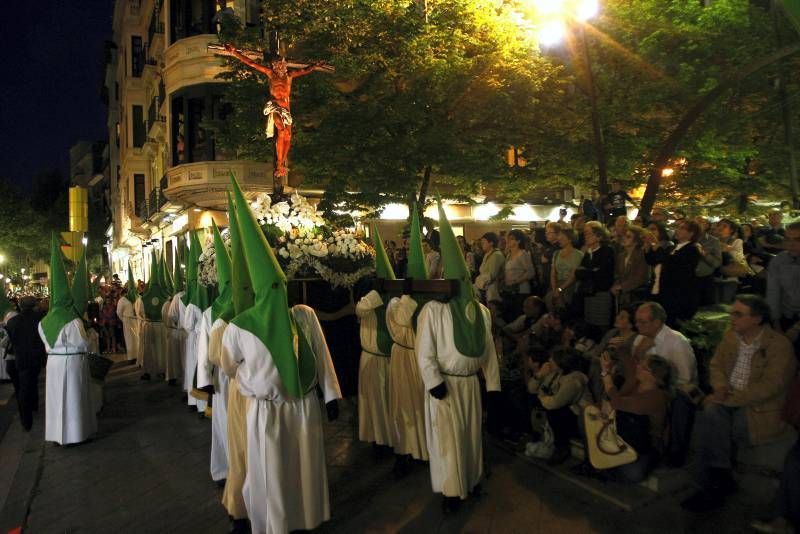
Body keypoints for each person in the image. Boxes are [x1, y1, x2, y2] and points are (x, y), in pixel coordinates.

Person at [222, 176, 341, 533]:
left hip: (303, 408)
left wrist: (332, 394)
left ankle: (306, 520)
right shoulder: (240, 327)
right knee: (271, 474)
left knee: (304, 471)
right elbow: (228, 366)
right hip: (268, 411)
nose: (277, 292)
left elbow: (321, 356)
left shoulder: (303, 316)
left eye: (281, 287)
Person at [416, 199, 500, 512]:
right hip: (446, 387)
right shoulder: (433, 312)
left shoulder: (480, 312)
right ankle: (451, 490)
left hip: (469, 385)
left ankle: (473, 479)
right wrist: (434, 382)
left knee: (470, 437)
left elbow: (488, 349)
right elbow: (424, 352)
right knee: (448, 441)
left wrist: (492, 385)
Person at [682, 294, 797, 512]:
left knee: (711, 420)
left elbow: (772, 386)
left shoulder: (779, 346)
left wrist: (729, 398)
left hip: (758, 408)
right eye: (732, 312)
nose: (731, 317)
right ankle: (718, 479)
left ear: (757, 319)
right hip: (727, 399)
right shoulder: (731, 337)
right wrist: (721, 387)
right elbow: (716, 365)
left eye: (738, 314)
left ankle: (712, 483)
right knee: (711, 414)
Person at [221, 44, 330, 181]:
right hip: (275, 107)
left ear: (284, 65)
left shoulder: (289, 76)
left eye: (280, 65)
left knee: (288, 135)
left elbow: (304, 70)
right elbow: (251, 63)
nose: (278, 67)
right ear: (273, 66)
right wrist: (234, 52)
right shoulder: (270, 74)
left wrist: (315, 65)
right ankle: (279, 163)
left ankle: (282, 162)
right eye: (275, 65)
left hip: (286, 109)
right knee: (282, 132)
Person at [38, 235, 97, 444]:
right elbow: (82, 343)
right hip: (73, 363)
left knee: (56, 400)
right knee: (74, 399)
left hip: (53, 363)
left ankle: (57, 435)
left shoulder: (44, 321)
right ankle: (76, 434)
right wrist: (91, 337)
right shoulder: (73, 321)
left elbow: (45, 342)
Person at [219, 192, 255, 532]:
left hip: (243, 391)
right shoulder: (239, 325)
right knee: (244, 453)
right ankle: (243, 505)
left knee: (247, 452)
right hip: (244, 395)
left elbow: (227, 365)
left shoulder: (232, 323)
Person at [386, 207, 430, 474]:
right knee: (404, 406)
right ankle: (405, 449)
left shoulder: (431, 306)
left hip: (421, 358)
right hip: (403, 357)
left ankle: (424, 448)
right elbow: (402, 320)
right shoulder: (395, 303)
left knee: (421, 405)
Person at [632, 301, 697, 466]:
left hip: (676, 388)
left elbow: (685, 378)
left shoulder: (676, 341)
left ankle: (675, 452)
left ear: (657, 322)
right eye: (637, 321)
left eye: (643, 322)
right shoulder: (640, 339)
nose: (638, 325)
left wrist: (659, 388)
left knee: (679, 401)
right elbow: (635, 369)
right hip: (651, 386)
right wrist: (639, 352)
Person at [197, 221, 234, 485]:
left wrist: (206, 381)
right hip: (235, 377)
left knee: (224, 425)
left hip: (222, 378)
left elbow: (202, 352)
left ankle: (226, 469)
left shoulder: (211, 313)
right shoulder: (214, 313)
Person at [599, 353, 672, 483]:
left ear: (654, 377)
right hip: (623, 438)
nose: (638, 367)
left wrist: (606, 374)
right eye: (640, 364)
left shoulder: (657, 396)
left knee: (632, 474)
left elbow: (617, 402)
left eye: (643, 367)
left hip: (646, 445)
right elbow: (615, 399)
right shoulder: (635, 385)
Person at [355, 225, 395, 449]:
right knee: (376, 402)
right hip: (375, 355)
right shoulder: (382, 296)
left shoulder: (385, 297)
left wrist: (374, 296)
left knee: (384, 401)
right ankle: (380, 438)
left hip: (383, 357)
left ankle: (386, 440)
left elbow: (359, 310)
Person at [526, 346, 589, 465]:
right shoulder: (557, 373)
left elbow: (556, 402)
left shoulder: (574, 380)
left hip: (580, 418)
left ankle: (562, 449)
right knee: (530, 398)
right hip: (561, 407)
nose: (549, 361)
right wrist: (539, 375)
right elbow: (532, 389)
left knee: (557, 412)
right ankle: (536, 433)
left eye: (552, 359)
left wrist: (542, 396)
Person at [644, 219, 701, 325]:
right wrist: (648, 247)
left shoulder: (692, 249)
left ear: (691, 233)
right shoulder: (673, 248)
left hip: (676, 295)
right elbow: (655, 260)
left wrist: (656, 245)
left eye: (682, 228)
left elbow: (673, 264)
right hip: (661, 291)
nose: (677, 230)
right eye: (678, 227)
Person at [5, 296, 43, 432]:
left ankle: (26, 419)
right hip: (36, 357)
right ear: (34, 305)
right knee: (32, 381)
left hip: (21, 358)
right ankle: (34, 405)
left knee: (24, 388)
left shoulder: (12, 322)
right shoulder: (39, 318)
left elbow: (9, 340)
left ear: (20, 306)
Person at [182, 231, 210, 414]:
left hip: (195, 339)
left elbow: (187, 326)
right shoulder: (211, 301)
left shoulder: (191, 303)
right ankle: (205, 404)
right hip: (207, 338)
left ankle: (196, 402)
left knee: (196, 368)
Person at [574, 221, 616, 331]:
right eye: (585, 234)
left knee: (601, 325)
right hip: (588, 294)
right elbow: (578, 272)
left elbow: (602, 274)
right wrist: (591, 271)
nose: (585, 237)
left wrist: (587, 272)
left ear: (599, 236)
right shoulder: (588, 252)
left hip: (601, 294)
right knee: (590, 324)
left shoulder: (607, 251)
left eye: (588, 234)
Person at [767, 221, 800, 358]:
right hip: (786, 319)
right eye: (787, 239)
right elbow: (773, 292)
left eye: (797, 240)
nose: (791, 244)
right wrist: (776, 324)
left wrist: (797, 328)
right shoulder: (779, 260)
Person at [611, 225, 651, 308]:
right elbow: (618, 274)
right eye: (624, 236)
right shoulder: (621, 256)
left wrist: (622, 286)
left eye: (628, 237)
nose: (624, 238)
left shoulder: (641, 254)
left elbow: (640, 277)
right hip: (622, 296)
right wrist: (616, 284)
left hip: (636, 296)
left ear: (636, 241)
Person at [547, 227, 583, 312]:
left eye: (561, 236)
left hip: (570, 287)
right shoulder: (556, 253)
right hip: (556, 285)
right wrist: (554, 288)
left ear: (570, 239)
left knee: (563, 308)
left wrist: (560, 289)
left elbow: (573, 276)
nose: (558, 238)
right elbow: (553, 273)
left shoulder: (578, 254)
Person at [503, 229, 535, 320]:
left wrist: (516, 281)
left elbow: (531, 272)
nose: (508, 240)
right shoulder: (509, 255)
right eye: (508, 238)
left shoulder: (523, 254)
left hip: (521, 290)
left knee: (518, 315)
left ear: (518, 241)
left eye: (511, 238)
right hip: (510, 290)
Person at [694, 217, 723, 305]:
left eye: (701, 222)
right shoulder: (686, 239)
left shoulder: (713, 241)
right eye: (695, 222)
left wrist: (704, 254)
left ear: (707, 225)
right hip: (688, 279)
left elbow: (717, 262)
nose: (698, 224)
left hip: (705, 279)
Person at [474, 232, 505, 309]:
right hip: (486, 291)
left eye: (484, 242)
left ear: (491, 243)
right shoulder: (487, 254)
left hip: (493, 292)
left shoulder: (496, 255)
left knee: (493, 316)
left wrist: (478, 283)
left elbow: (491, 275)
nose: (482, 245)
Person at [116, 265, 140, 363]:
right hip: (127, 321)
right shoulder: (123, 300)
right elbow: (118, 312)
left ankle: (138, 355)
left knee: (137, 338)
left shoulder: (138, 298)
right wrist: (125, 319)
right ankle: (131, 357)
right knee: (130, 339)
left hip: (136, 320)